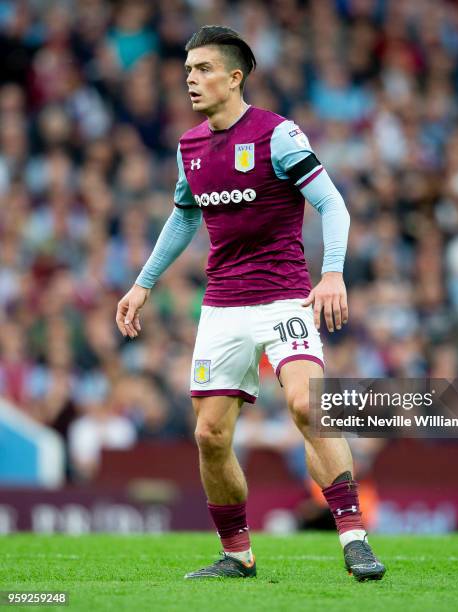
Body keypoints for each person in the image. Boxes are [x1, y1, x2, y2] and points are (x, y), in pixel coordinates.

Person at [115, 25, 385, 582]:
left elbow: (333, 206)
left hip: (284, 296)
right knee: (209, 435)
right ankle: (237, 553)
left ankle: (354, 538)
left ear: (235, 77)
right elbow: (185, 216)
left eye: (204, 69)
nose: (192, 79)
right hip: (221, 308)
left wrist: (331, 273)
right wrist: (143, 283)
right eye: (188, 69)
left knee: (310, 405)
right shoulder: (189, 146)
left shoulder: (278, 136)